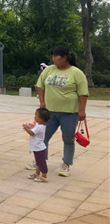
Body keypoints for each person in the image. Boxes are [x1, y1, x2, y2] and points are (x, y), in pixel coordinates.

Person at [26, 46, 89, 177]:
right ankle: (40, 162)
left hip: (69, 112)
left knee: (68, 138)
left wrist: (82, 110)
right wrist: (42, 101)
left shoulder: (76, 73)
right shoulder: (49, 70)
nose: (53, 59)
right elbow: (40, 85)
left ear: (64, 57)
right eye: (53, 56)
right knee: (42, 137)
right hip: (49, 113)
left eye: (56, 56)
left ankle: (66, 164)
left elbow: (83, 93)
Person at [23, 108, 51, 183]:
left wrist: (26, 128)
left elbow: (32, 133)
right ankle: (37, 173)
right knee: (38, 162)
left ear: (41, 118)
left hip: (39, 148)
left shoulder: (40, 127)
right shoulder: (40, 126)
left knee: (41, 162)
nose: (34, 117)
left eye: (36, 115)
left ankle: (44, 175)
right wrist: (29, 127)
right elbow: (33, 131)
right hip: (37, 147)